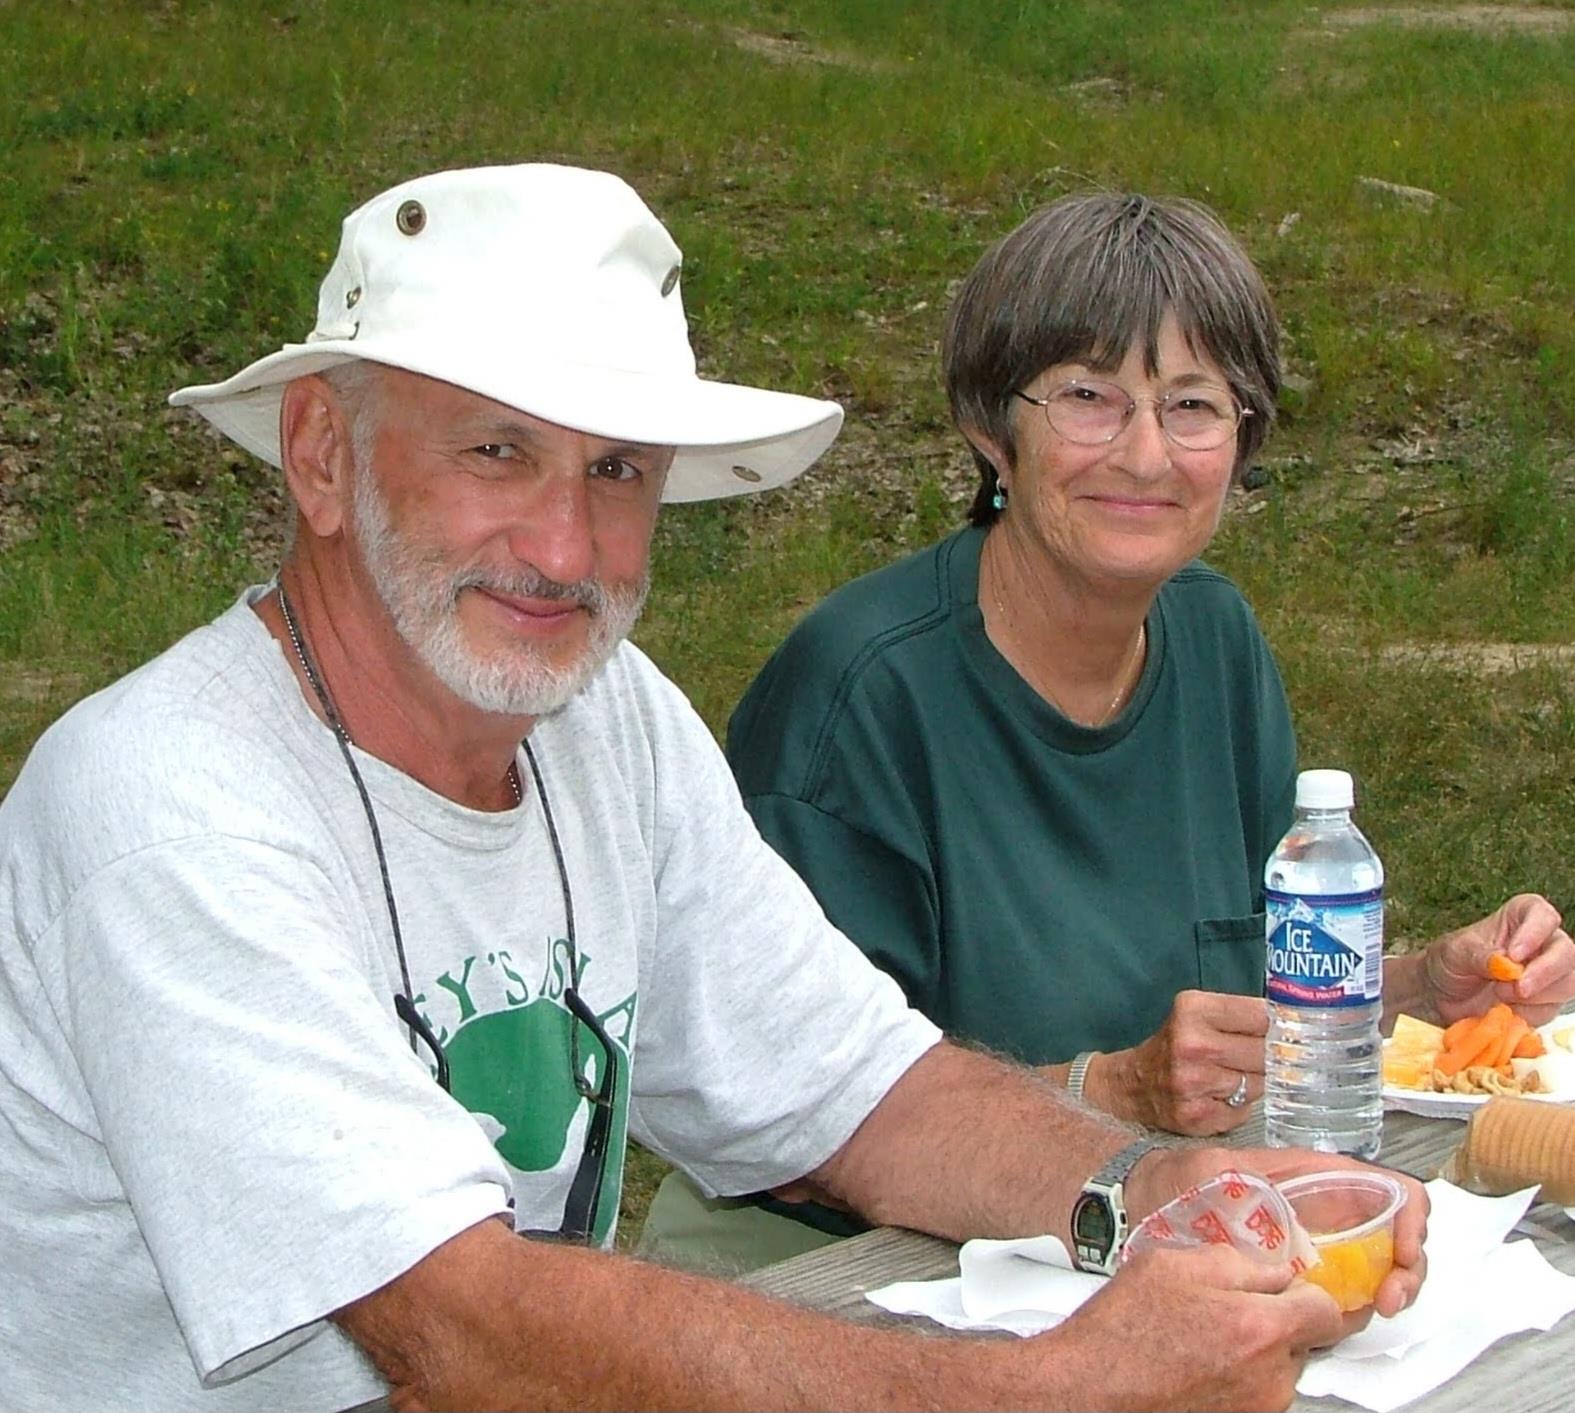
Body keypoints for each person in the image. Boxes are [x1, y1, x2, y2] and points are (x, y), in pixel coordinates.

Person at [0, 164, 1425, 1413]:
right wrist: (1046, 1389)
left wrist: (1144, 1188)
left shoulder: (602, 718)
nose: (563, 546)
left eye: (616, 470)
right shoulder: (172, 810)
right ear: (321, 454)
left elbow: (859, 1089)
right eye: (497, 450)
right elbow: (454, 1331)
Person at [641, 190, 1573, 1272]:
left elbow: (1263, 1014)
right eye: (1090, 397)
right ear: (991, 431)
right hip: (834, 1277)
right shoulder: (858, 696)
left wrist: (1417, 992)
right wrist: (1110, 1091)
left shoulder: (1215, 639)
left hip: (1142, 1238)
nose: (1145, 455)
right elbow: (799, 1120)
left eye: (1193, 406)